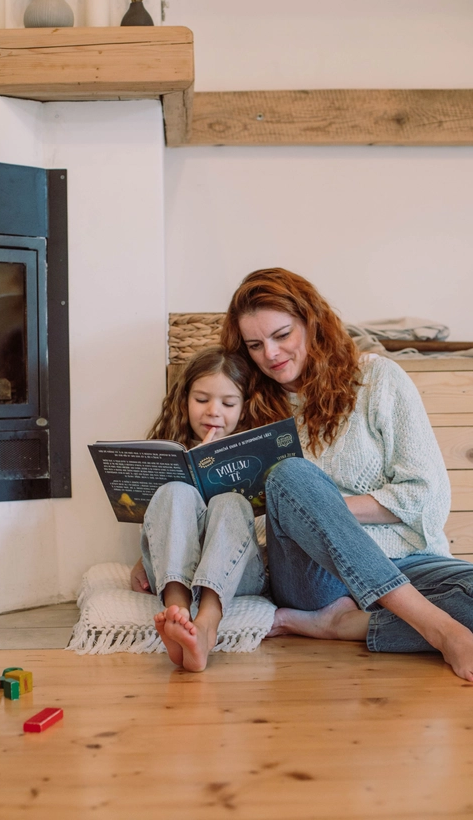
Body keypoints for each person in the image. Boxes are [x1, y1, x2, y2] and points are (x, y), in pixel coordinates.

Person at [219, 267, 473, 682]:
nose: (270, 354)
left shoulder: (378, 378)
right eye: (255, 345)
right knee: (291, 477)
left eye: (282, 335)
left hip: (409, 560)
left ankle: (337, 626)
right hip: (314, 579)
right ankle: (438, 627)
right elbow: (242, 512)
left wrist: (322, 511)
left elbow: (426, 495)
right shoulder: (245, 404)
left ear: (312, 322)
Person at [131, 346, 266, 672]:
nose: (213, 411)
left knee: (230, 501)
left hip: (237, 572)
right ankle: (177, 612)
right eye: (202, 400)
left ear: (244, 407)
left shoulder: (255, 451)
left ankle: (206, 623)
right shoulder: (170, 447)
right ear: (184, 400)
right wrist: (141, 558)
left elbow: (260, 530)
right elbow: (160, 522)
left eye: (228, 403)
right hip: (172, 573)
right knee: (175, 491)